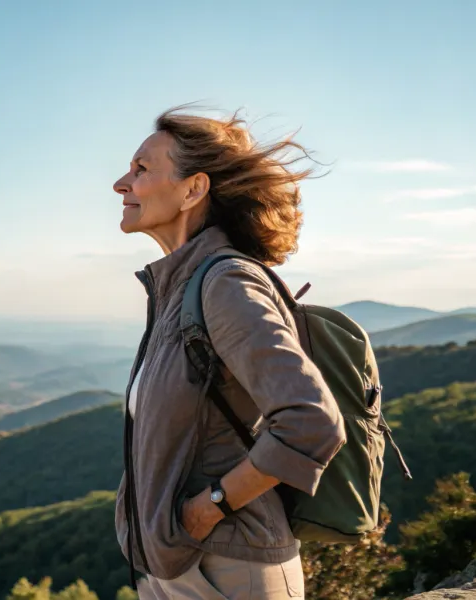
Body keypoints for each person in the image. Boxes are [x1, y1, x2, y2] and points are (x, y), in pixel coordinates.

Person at [112, 106, 347, 600]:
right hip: (181, 566)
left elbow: (311, 421)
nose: (121, 183)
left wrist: (208, 508)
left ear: (193, 189)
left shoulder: (224, 282)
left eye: (140, 170)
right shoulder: (181, 286)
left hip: (229, 572)